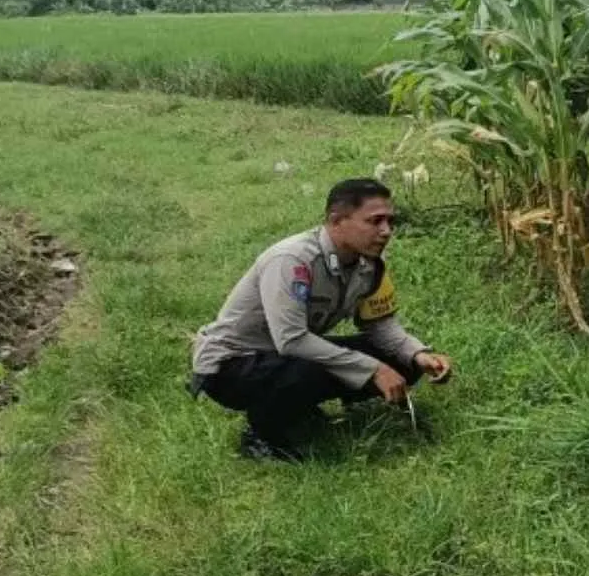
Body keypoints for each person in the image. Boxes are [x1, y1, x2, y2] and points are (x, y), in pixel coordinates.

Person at [192, 178, 452, 459]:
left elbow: (378, 324)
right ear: (336, 220)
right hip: (231, 364)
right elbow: (290, 340)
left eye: (390, 221)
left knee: (402, 361)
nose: (386, 231)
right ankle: (261, 436)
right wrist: (373, 369)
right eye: (375, 221)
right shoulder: (292, 260)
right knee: (310, 369)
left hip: (288, 352)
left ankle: (298, 408)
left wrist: (418, 354)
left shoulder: (370, 263)